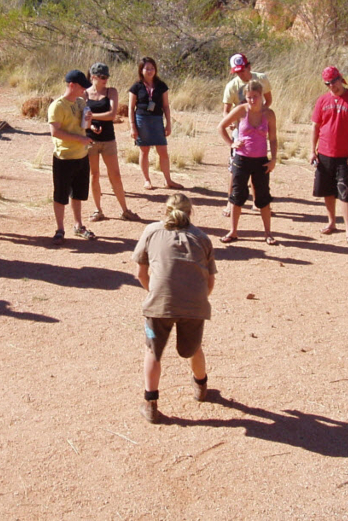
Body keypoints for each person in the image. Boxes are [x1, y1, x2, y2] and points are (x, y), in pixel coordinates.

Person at [133, 193, 216, 424]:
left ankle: (150, 404)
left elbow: (140, 273)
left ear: (165, 211)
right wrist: (193, 301)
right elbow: (210, 282)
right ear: (191, 212)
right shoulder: (202, 238)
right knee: (194, 348)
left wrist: (155, 293)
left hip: (159, 303)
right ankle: (200, 386)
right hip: (195, 304)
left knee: (153, 352)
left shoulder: (151, 232)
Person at [311, 65, 348, 246]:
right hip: (325, 152)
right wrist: (313, 150)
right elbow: (315, 126)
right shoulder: (322, 100)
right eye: (327, 83)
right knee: (327, 190)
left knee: (344, 192)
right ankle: (332, 222)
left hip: (345, 154)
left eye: (334, 82)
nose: (331, 87)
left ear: (340, 79)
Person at [217, 81, 278, 244]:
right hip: (242, 159)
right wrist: (232, 143)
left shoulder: (269, 114)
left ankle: (267, 233)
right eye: (249, 97)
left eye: (255, 97)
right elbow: (221, 127)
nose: (252, 101)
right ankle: (233, 231)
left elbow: (273, 138)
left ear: (261, 96)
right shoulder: (241, 111)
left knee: (263, 197)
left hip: (261, 161)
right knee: (237, 196)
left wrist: (273, 160)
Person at [86, 62, 140, 223]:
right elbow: (81, 116)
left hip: (108, 139)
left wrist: (92, 117)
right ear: (93, 77)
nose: (105, 80)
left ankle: (124, 210)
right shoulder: (84, 93)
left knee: (115, 175)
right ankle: (98, 210)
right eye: (102, 77)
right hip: (90, 139)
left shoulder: (112, 92)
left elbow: (112, 114)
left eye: (107, 76)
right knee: (94, 175)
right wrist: (91, 125)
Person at [48, 69, 96, 243]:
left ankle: (78, 225)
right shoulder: (57, 106)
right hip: (64, 157)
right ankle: (60, 229)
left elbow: (85, 125)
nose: (84, 90)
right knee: (61, 194)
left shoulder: (81, 102)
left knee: (78, 193)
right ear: (72, 85)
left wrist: (89, 120)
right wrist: (79, 139)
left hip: (81, 155)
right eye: (82, 87)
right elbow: (55, 132)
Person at [221, 53, 273, 213]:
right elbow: (226, 111)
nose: (240, 74)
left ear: (249, 67)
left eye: (242, 70)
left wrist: (262, 112)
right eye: (237, 72)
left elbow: (269, 99)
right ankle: (231, 202)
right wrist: (232, 124)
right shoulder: (232, 86)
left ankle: (258, 202)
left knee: (258, 165)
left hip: (259, 128)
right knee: (235, 167)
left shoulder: (261, 79)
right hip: (241, 130)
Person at [128, 56, 184, 191]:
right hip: (142, 119)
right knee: (144, 151)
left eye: (152, 68)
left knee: (163, 151)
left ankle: (168, 180)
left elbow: (166, 106)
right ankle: (147, 180)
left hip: (157, 120)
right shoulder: (136, 87)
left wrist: (168, 124)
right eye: (147, 68)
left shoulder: (161, 85)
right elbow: (131, 107)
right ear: (141, 70)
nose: (150, 71)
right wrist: (132, 126)